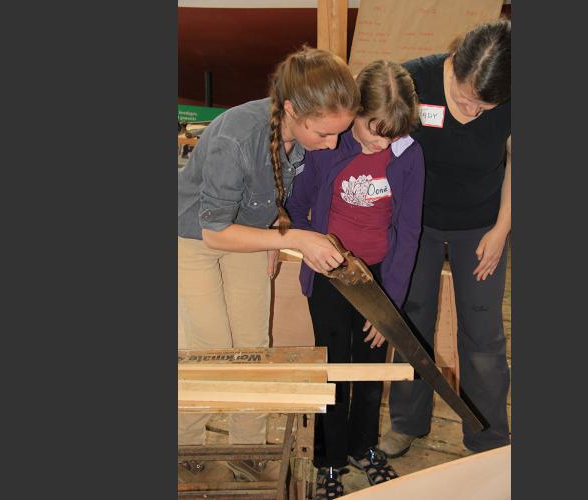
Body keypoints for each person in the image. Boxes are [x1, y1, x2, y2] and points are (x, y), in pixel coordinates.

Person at [177, 47, 360, 479]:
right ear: (293, 109)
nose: (331, 144)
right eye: (325, 134)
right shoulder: (235, 138)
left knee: (253, 347)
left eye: (339, 134)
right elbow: (214, 231)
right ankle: (187, 449)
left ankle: (248, 450)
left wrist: (275, 229)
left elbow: (275, 188)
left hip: (250, 235)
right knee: (209, 350)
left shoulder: (297, 131)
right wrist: (293, 236)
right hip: (195, 237)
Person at [286, 60, 423, 499]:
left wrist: (392, 303)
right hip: (330, 276)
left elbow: (408, 231)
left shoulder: (408, 155)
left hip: (377, 279)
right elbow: (296, 205)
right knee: (333, 369)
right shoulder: (329, 147)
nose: (379, 141)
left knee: (367, 370)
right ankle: (328, 458)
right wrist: (306, 244)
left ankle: (364, 447)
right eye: (372, 129)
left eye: (390, 135)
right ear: (353, 110)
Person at [378, 19, 512, 457]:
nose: (472, 112)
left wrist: (501, 229)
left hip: (482, 224)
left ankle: (488, 436)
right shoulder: (412, 80)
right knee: (412, 325)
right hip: (418, 221)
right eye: (464, 99)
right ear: (453, 65)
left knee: (483, 335)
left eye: (484, 108)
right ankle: (406, 422)